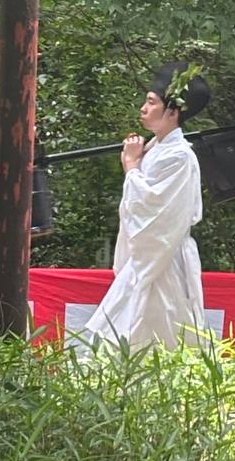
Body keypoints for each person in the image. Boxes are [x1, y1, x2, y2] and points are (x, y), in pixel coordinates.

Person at [82, 62, 211, 349]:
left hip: (163, 256)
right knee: (125, 329)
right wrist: (136, 162)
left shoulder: (179, 156)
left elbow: (153, 209)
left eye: (151, 102)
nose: (143, 108)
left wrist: (131, 167)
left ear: (172, 112)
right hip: (147, 255)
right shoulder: (155, 149)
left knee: (161, 331)